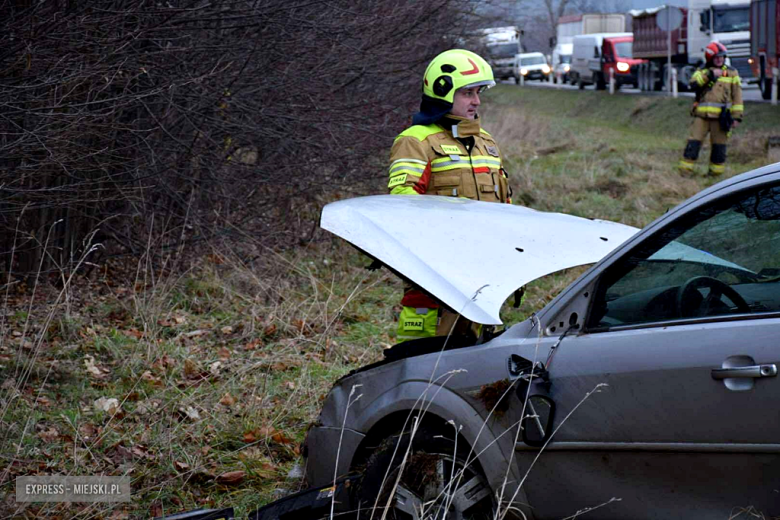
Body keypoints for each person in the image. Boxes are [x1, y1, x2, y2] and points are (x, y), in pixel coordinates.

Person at [387, 49, 512, 342]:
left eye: (479, 92)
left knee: (477, 356)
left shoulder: (487, 143)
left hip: (485, 272)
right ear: (443, 91)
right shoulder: (415, 141)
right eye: (468, 92)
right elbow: (402, 208)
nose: (477, 101)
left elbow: (506, 207)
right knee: (426, 357)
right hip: (436, 275)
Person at [679, 41, 743, 176]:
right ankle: (685, 173)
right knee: (693, 143)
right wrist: (710, 75)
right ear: (710, 58)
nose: (720, 60)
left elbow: (737, 96)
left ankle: (715, 175)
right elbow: (693, 84)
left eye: (722, 57)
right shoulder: (701, 71)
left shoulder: (732, 73)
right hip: (701, 117)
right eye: (717, 57)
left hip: (721, 118)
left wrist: (737, 117)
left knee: (719, 147)